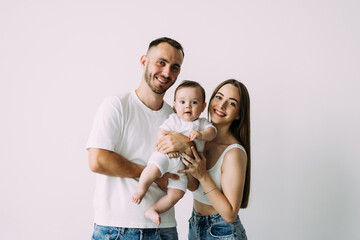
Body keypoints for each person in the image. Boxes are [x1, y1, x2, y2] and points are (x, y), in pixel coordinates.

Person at [86, 37, 192, 240]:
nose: (167, 72)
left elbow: (190, 179)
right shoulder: (116, 105)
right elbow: (97, 161)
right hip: (117, 229)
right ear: (144, 61)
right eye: (161, 62)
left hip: (165, 229)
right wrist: (153, 174)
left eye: (175, 67)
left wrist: (188, 145)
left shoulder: (177, 120)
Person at [158, 79, 250, 239]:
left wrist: (203, 175)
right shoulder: (200, 140)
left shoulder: (233, 153)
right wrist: (185, 147)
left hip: (223, 231)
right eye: (219, 97)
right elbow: (194, 186)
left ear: (238, 114)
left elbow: (230, 215)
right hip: (196, 223)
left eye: (232, 103)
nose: (221, 106)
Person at [131, 80, 217, 226]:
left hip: (183, 169)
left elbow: (213, 132)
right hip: (166, 156)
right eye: (182, 102)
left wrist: (201, 135)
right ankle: (140, 190)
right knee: (151, 170)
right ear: (175, 106)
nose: (188, 106)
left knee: (177, 194)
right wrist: (166, 146)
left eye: (194, 102)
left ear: (203, 107)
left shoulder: (202, 123)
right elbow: (161, 132)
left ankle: (153, 209)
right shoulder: (174, 119)